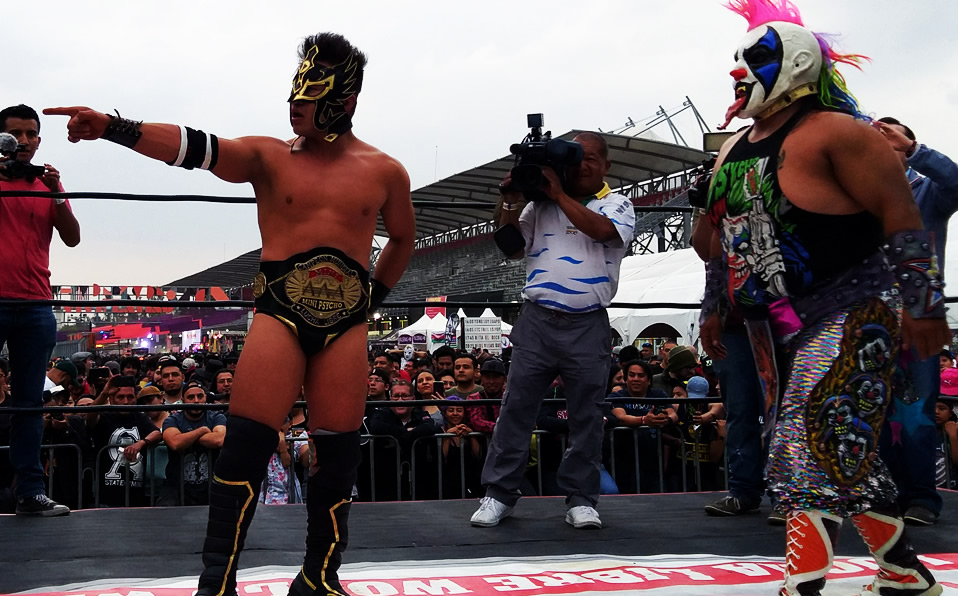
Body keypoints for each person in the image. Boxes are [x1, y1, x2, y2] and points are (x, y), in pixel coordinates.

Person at [47, 32, 415, 595]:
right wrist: (113, 127)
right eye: (293, 92)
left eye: (309, 94)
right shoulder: (269, 155)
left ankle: (320, 576)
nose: (294, 104)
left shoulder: (385, 170)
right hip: (279, 313)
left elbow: (402, 242)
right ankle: (216, 581)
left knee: (338, 453)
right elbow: (197, 148)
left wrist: (371, 305)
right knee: (245, 444)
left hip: (346, 323)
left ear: (346, 98)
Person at [695, 2, 947, 593]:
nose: (737, 72)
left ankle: (801, 583)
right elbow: (720, 239)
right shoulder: (732, 148)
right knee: (843, 451)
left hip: (852, 308)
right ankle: (904, 573)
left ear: (798, 64)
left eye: (754, 59)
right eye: (735, 60)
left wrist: (925, 304)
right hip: (769, 322)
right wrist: (715, 303)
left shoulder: (839, 133)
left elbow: (902, 215)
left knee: (802, 438)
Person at [471, 130, 635, 530]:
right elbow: (510, 247)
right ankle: (498, 494)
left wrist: (558, 194)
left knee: (587, 415)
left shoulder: (618, 203)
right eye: (575, 156)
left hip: (588, 321)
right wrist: (510, 201)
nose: (582, 164)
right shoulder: (538, 207)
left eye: (591, 158)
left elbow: (604, 232)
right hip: (538, 318)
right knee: (516, 410)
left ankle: (581, 499)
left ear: (607, 165)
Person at [873, 116, 958, 527]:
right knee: (875, 409)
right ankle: (888, 495)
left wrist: (915, 150)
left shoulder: (927, 190)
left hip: (920, 308)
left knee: (918, 412)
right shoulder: (861, 194)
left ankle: (921, 497)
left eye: (890, 139)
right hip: (871, 315)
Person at [0, 104, 81, 517]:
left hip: (34, 303)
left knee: (30, 403)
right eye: (16, 134)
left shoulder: (46, 182)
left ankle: (29, 491)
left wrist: (57, 192)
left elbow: (72, 238)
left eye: (32, 133)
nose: (26, 141)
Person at [159, 381, 227, 506]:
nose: (196, 401)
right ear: (183, 399)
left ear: (205, 398)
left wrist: (186, 436)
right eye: (191, 397)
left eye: (200, 397)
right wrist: (202, 431)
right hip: (177, 486)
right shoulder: (173, 419)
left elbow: (219, 439)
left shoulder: (216, 416)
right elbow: (174, 443)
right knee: (165, 512)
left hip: (211, 485)